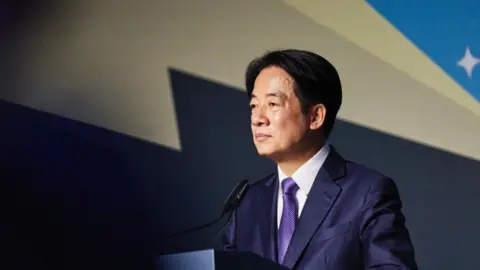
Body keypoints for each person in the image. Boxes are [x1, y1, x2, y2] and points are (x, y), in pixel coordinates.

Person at [222, 49, 418, 269]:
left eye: (273, 104)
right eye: (253, 106)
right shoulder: (248, 203)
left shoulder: (367, 193)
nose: (258, 119)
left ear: (315, 116)